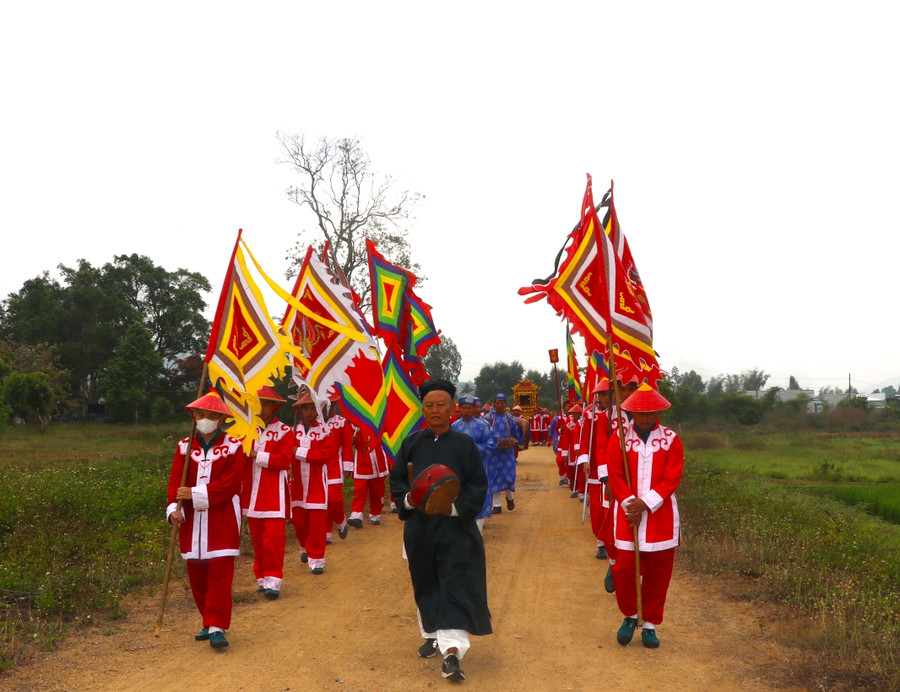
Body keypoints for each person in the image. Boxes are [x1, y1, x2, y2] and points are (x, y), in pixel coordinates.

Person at [389, 379, 491, 683]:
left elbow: (477, 484)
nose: (435, 410)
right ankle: (431, 633)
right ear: (423, 408)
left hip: (455, 528)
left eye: (441, 405)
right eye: (430, 405)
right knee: (425, 582)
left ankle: (451, 653)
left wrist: (453, 507)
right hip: (420, 529)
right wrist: (409, 499)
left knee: (454, 584)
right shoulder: (411, 443)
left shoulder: (464, 444)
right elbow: (397, 482)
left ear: (452, 409)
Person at [166, 389, 247, 649]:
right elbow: (175, 484)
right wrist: (173, 510)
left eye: (211, 415)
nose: (205, 419)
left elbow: (231, 484)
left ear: (221, 419)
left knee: (220, 574)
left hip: (222, 518)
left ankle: (217, 626)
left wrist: (195, 493)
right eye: (200, 414)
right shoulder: (184, 447)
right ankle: (207, 619)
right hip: (192, 522)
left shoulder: (234, 447)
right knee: (197, 574)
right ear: (194, 416)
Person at [606, 383, 683, 650]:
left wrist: (646, 503)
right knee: (624, 568)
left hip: (660, 514)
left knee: (658, 571)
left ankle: (650, 623)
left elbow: (672, 476)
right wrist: (631, 505)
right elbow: (615, 473)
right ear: (632, 412)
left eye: (650, 412)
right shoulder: (618, 437)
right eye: (640, 412)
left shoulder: (671, 438)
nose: (645, 417)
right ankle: (630, 615)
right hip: (628, 514)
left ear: (657, 411)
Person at [241, 386, 293, 599]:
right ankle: (261, 578)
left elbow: (283, 461)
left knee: (272, 538)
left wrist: (257, 454)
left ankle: (274, 581)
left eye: (267, 403)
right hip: (251, 492)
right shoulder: (245, 429)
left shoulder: (284, 431)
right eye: (258, 402)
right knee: (257, 539)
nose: (261, 407)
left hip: (273, 492)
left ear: (275, 407)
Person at [290, 391, 341, 575]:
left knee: (317, 523)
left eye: (313, 408)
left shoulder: (324, 431)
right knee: (300, 522)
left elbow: (324, 456)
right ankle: (305, 546)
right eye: (305, 408)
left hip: (317, 484)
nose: (309, 412)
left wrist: (298, 452)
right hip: (296, 485)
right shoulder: (291, 432)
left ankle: (317, 560)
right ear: (299, 410)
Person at [451, 394, 498, 531]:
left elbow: (492, 443)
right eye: (463, 408)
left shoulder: (484, 426)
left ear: (474, 409)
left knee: (479, 494)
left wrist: (473, 447)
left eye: (468, 408)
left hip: (479, 467)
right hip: (459, 469)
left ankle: (478, 529)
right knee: (461, 494)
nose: (465, 411)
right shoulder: (454, 427)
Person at [483, 393, 522, 513]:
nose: (500, 405)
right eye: (497, 403)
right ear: (494, 404)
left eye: (502, 403)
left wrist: (516, 440)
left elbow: (518, 431)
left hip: (507, 452)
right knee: (493, 476)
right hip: (493, 452)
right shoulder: (487, 418)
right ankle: (497, 505)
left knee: (508, 477)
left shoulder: (511, 418)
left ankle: (509, 497)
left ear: (505, 405)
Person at [347, 427, 390, 527]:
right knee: (360, 490)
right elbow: (348, 442)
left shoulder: (377, 421)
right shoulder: (353, 425)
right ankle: (356, 515)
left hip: (378, 461)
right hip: (362, 462)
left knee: (376, 491)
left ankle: (375, 514)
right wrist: (351, 440)